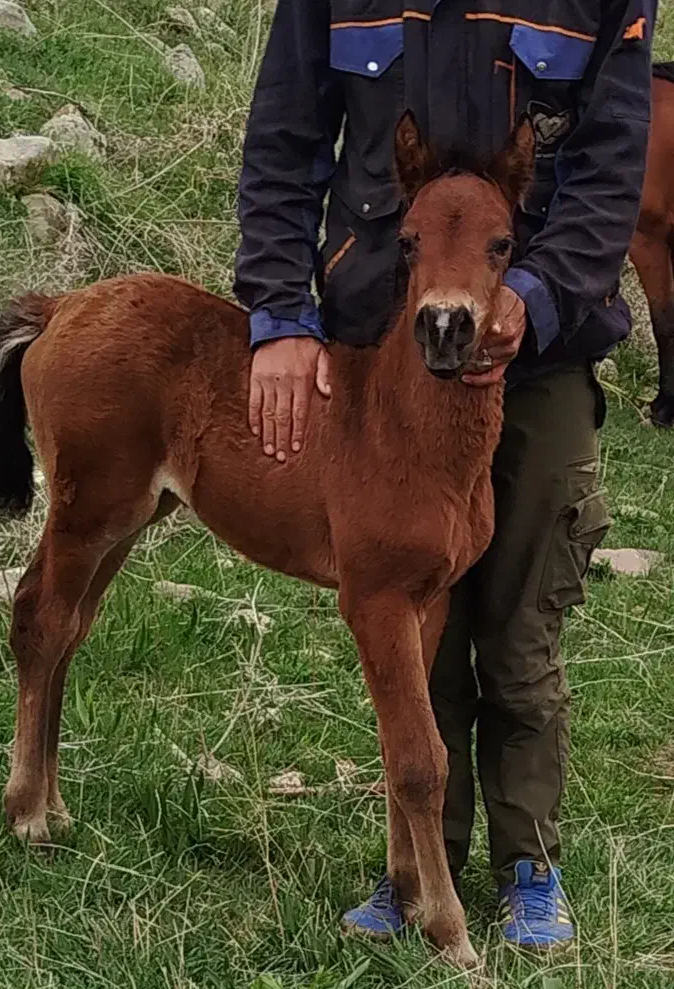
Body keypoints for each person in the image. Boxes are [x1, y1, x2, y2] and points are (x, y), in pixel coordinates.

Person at [234, 0, 655, 949]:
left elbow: (610, 166)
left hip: (537, 347)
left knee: (520, 617)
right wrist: (277, 314)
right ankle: (423, 866)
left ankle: (527, 863)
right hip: (382, 341)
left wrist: (533, 301)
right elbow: (286, 136)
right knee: (413, 619)